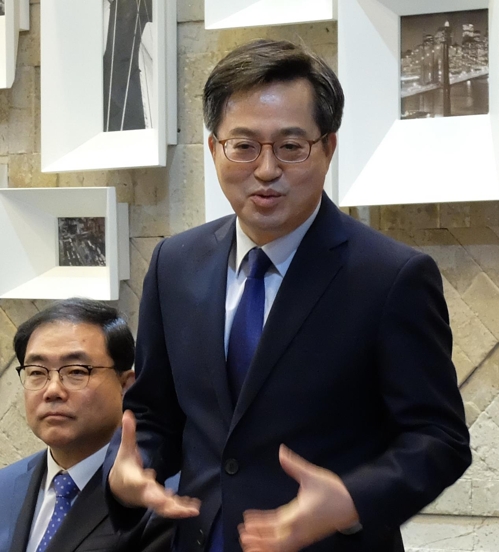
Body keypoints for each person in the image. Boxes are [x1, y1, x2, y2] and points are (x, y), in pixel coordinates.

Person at [105, 39, 472, 552]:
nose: (266, 169)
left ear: (328, 148)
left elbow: (438, 438)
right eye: (244, 146)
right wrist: (132, 468)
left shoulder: (391, 276)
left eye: (290, 147)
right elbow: (153, 414)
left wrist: (352, 500)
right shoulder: (175, 263)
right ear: (213, 149)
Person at [0, 298, 173, 552]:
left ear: (127, 386)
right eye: (36, 372)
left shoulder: (156, 498)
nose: (53, 390)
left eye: (76, 371)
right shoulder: (5, 486)